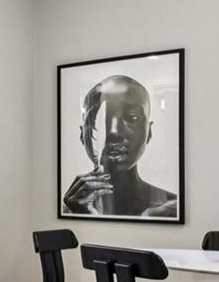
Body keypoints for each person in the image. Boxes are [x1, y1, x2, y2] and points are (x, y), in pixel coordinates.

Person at [62, 74, 178, 218]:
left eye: (132, 118)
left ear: (149, 132)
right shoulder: (67, 209)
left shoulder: (173, 210)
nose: (114, 132)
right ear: (82, 134)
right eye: (96, 119)